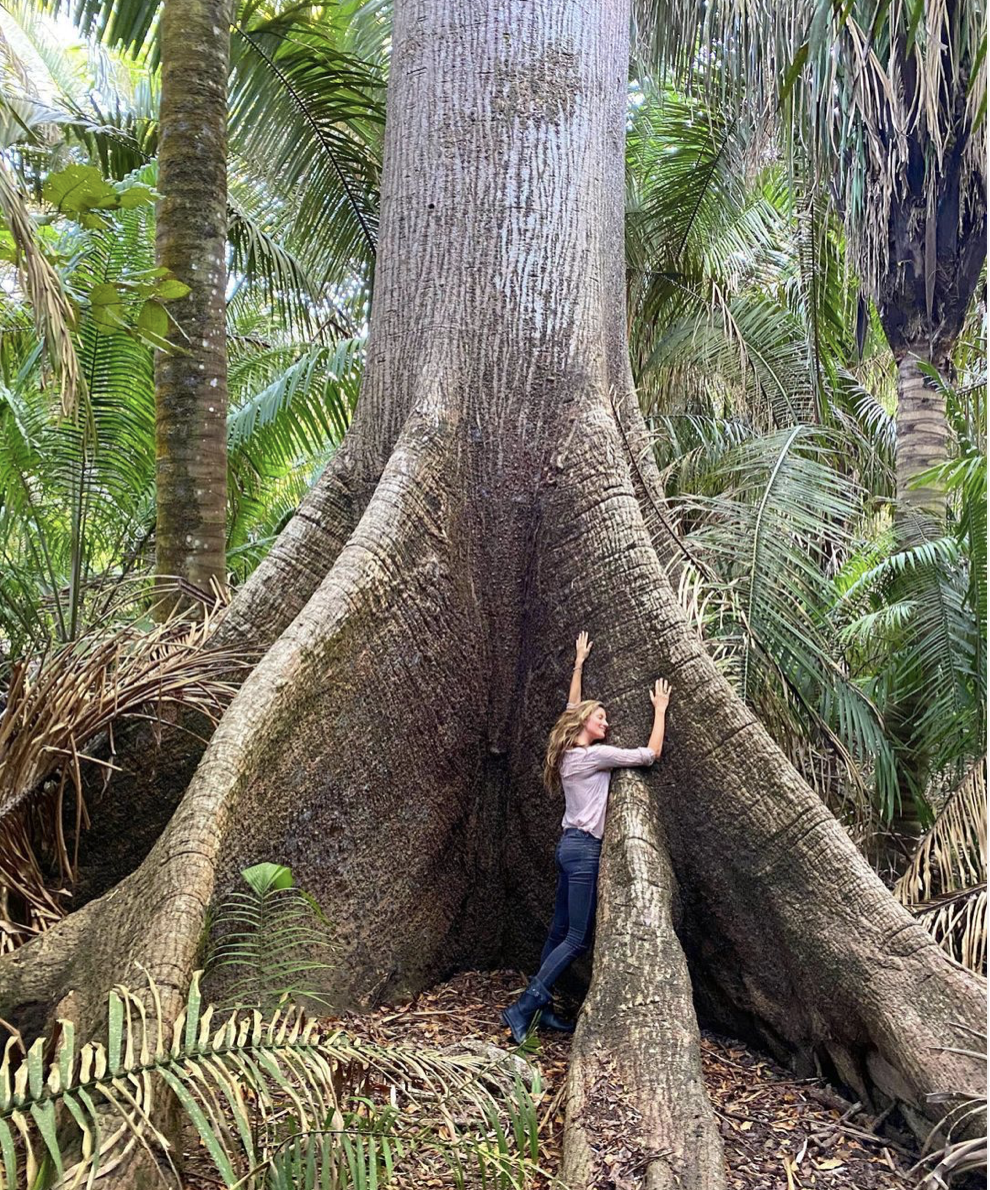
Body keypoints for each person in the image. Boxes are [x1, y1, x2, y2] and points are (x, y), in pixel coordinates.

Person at [501, 631, 671, 1043]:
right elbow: (650, 756)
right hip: (584, 852)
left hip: (568, 848)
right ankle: (523, 1007)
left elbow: (571, 707)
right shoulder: (595, 757)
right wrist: (660, 710)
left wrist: (578, 664)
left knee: (559, 933)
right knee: (576, 938)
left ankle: (541, 1009)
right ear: (586, 727)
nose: (607, 723)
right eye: (602, 719)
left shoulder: (566, 754)